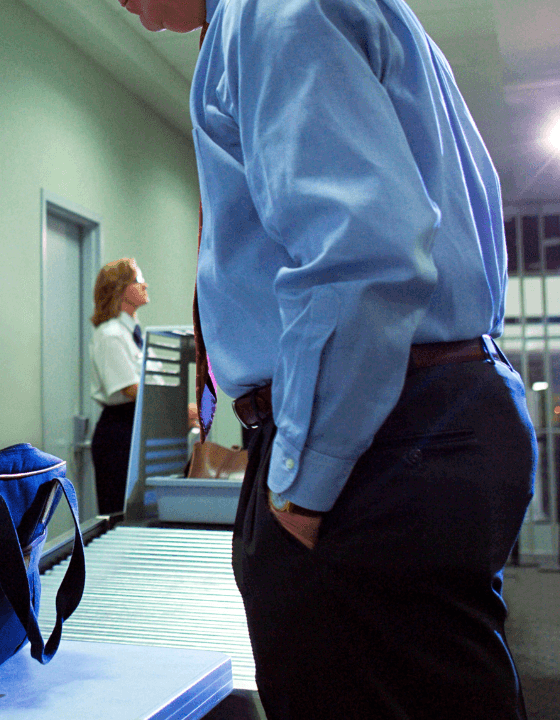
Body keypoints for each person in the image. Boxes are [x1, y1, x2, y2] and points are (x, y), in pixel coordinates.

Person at [117, 1, 535, 718]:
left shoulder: (270, 11)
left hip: (380, 433)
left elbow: (360, 255)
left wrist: (305, 483)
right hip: (425, 412)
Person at [88, 258, 150, 515]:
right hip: (119, 432)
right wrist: (178, 409)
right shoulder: (110, 333)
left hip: (137, 425)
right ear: (120, 289)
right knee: (120, 514)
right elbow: (131, 389)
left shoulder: (135, 334)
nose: (145, 285)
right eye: (138, 280)